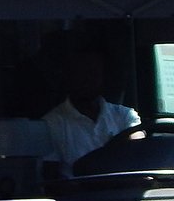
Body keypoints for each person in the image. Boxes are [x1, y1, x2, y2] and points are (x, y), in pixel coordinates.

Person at [42, 47, 140, 177]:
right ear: (68, 77)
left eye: (93, 72)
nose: (88, 79)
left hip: (123, 192)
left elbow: (139, 149)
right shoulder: (50, 124)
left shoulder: (125, 115)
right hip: (80, 196)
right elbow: (52, 179)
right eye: (80, 73)